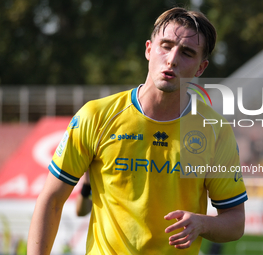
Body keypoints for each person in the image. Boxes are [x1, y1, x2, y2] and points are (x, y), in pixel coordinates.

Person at [28, 7, 247, 254]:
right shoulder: (96, 116)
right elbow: (52, 200)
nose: (172, 58)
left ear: (201, 68)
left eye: (187, 53)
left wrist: (203, 223)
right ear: (148, 49)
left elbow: (235, 221)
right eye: (166, 45)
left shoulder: (214, 131)